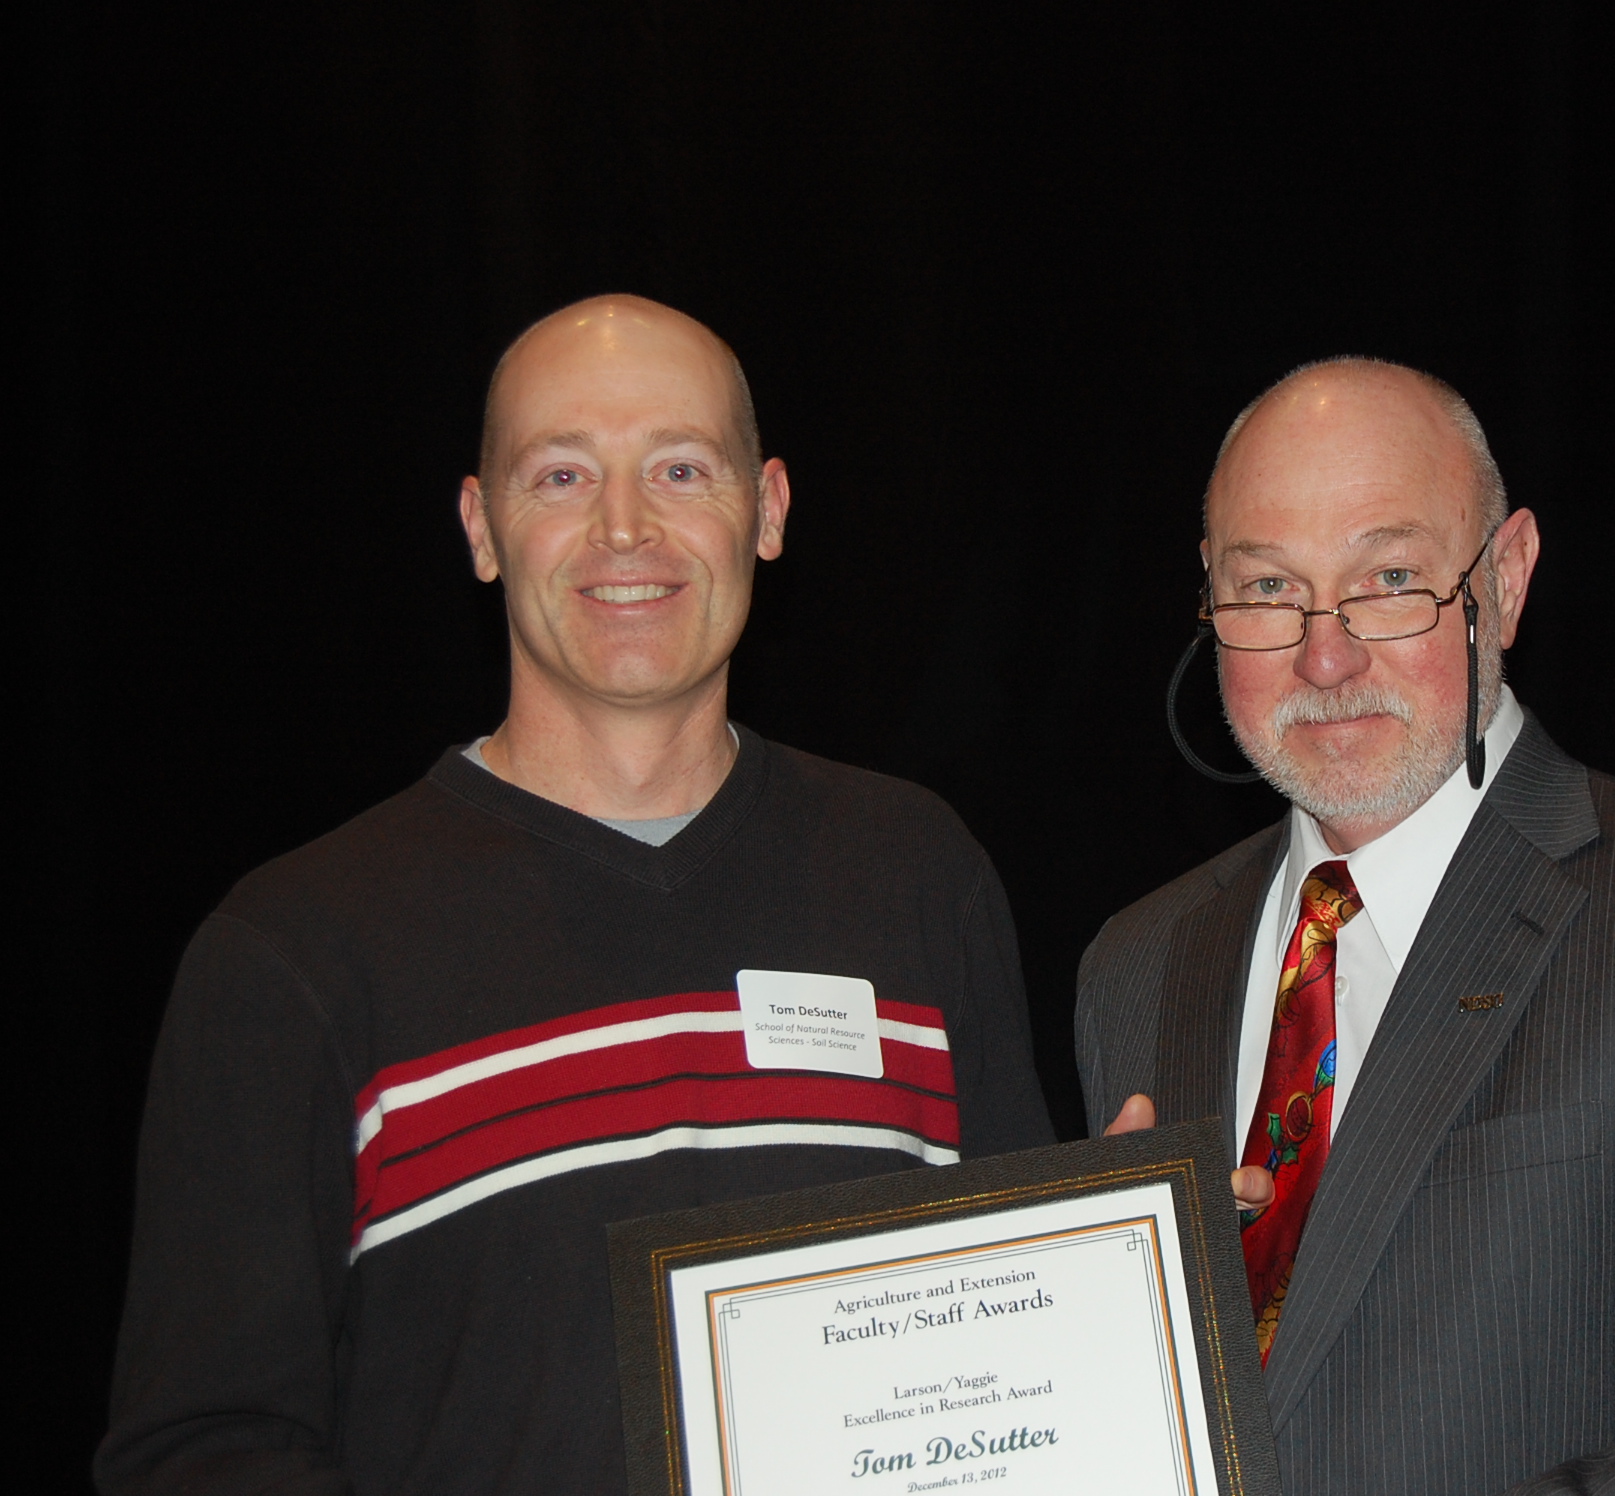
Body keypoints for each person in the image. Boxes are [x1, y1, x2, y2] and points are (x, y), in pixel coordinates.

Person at [97, 296, 1053, 1494]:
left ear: (767, 510)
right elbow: (204, 1446)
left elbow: (1019, 1344)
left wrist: (1123, 1255)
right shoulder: (292, 949)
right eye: (560, 475)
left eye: (679, 466)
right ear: (480, 524)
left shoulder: (916, 870)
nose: (624, 527)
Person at [1080, 359, 1615, 1494]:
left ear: (1510, 577)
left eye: (1389, 577)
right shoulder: (1133, 969)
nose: (1325, 656)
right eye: (1270, 589)